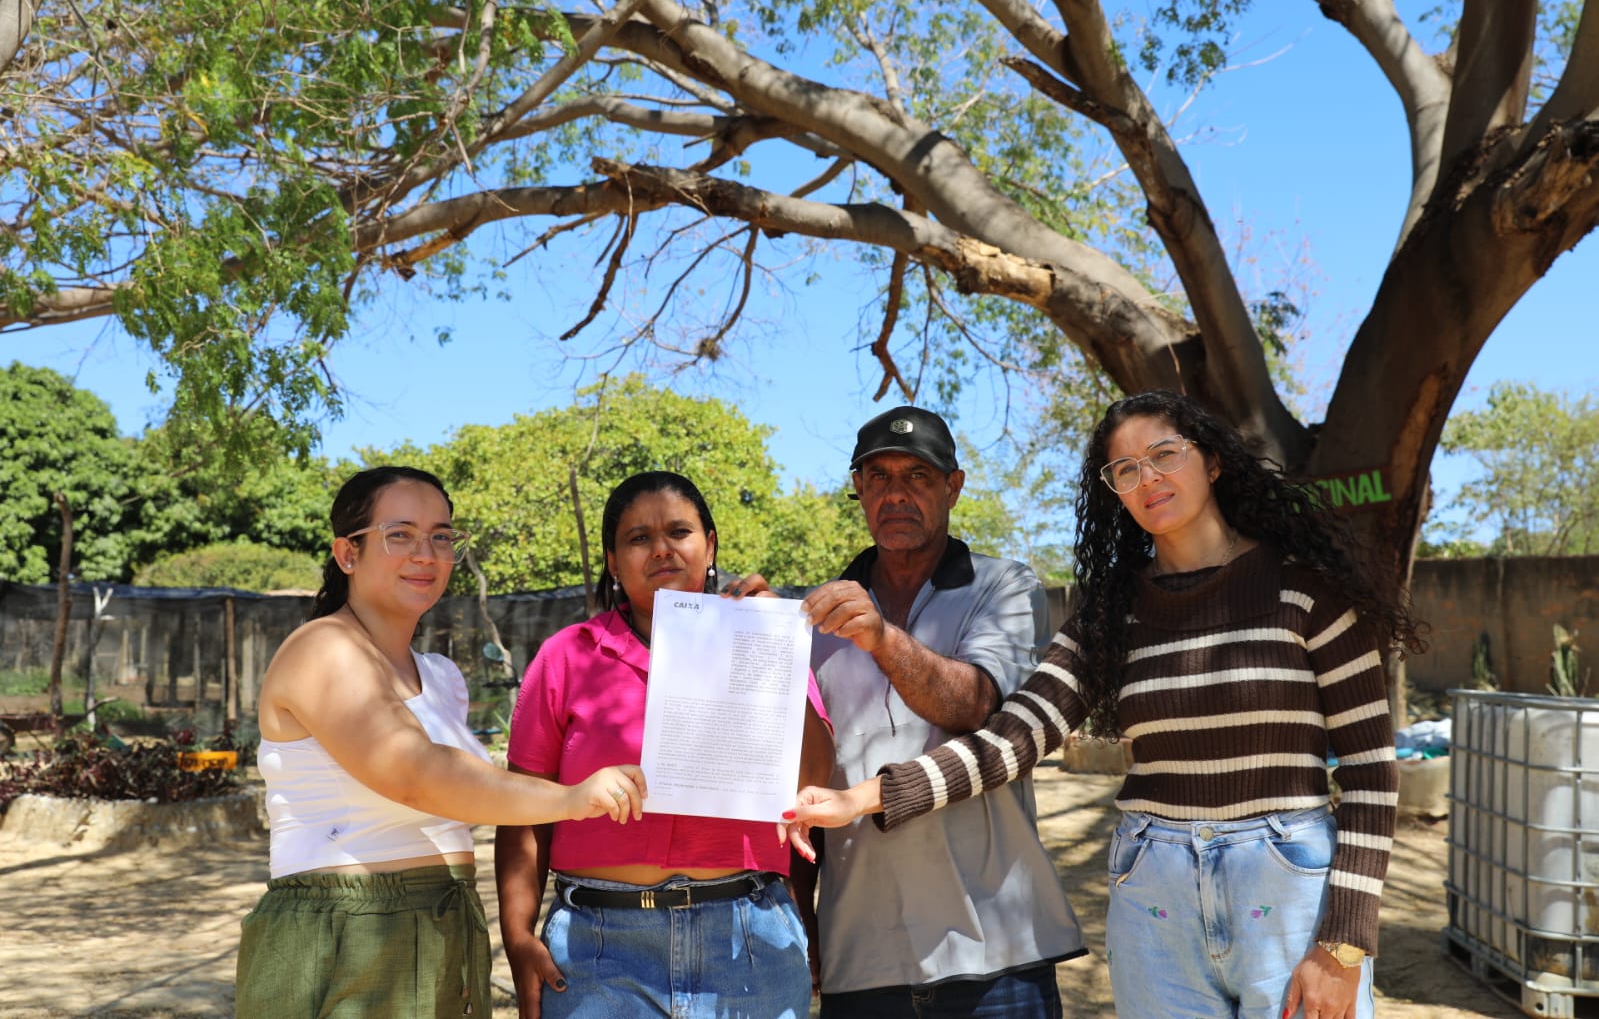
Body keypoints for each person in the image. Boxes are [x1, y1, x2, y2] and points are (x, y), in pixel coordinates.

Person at [787, 391, 1427, 1019]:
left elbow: (1371, 774)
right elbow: (1013, 739)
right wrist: (859, 799)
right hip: (1154, 893)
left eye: (1165, 455)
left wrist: (1344, 944)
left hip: (1288, 889)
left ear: (1212, 461)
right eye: (1126, 469)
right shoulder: (1112, 615)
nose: (1148, 479)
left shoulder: (1306, 591)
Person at [235, 466, 645, 1018]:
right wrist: (572, 798)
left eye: (442, 536)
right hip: (348, 934)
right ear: (348, 553)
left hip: (445, 921)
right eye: (400, 534)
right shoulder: (322, 648)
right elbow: (416, 774)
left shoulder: (441, 675)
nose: (426, 554)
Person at [728, 406, 1084, 1018]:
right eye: (879, 477)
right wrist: (755, 632)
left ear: (953, 486)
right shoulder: (808, 623)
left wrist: (881, 638)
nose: (896, 494)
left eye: (918, 476)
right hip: (862, 957)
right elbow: (795, 789)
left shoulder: (1003, 587)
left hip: (998, 951)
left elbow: (977, 704)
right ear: (859, 489)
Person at [495, 470, 836, 1019]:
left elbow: (812, 782)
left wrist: (774, 647)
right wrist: (517, 936)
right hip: (597, 950)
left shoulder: (766, 640)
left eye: (679, 532)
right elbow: (521, 811)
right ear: (612, 561)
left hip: (748, 944)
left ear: (710, 545)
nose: (661, 549)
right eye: (638, 538)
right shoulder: (567, 656)